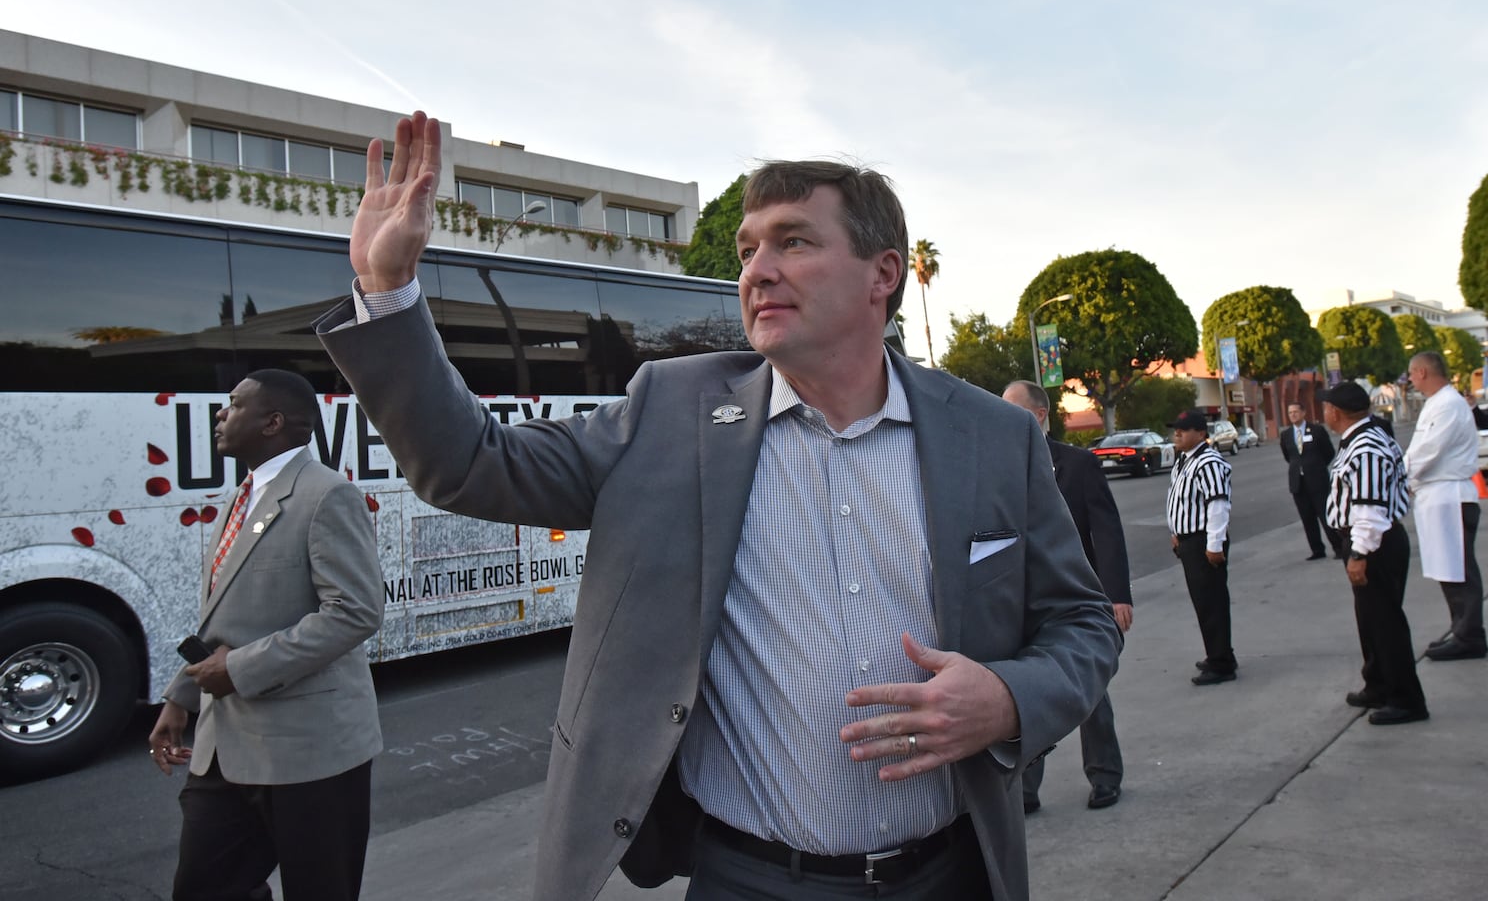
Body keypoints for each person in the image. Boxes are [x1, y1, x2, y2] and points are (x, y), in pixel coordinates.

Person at [316, 112, 1121, 901]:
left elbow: (1082, 625)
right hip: (749, 877)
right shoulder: (669, 412)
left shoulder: (992, 436)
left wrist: (1008, 700)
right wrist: (389, 292)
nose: (757, 269)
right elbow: (468, 464)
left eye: (794, 241)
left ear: (883, 273)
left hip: (950, 872)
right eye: (748, 249)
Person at [148, 369, 384, 901]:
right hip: (223, 750)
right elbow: (223, 611)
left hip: (310, 752)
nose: (220, 414)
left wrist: (237, 669)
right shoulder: (242, 496)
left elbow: (355, 612)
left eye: (233, 404)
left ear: (273, 422)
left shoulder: (327, 494)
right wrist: (181, 697)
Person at [1001, 381, 1130, 813]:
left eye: (1012, 410)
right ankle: (1025, 789)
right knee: (1024, 695)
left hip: (1075, 598)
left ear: (1037, 415)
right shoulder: (999, 465)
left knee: (1089, 694)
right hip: (1020, 604)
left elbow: (1106, 532)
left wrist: (1117, 596)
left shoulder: (1077, 465)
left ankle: (1105, 775)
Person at [1319, 381, 1428, 724]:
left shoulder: (1366, 447)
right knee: (1370, 622)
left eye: (1326, 407)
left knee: (1386, 624)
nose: (1323, 413)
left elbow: (1369, 507)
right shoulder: (1364, 438)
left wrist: (1358, 553)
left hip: (1374, 543)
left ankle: (1406, 700)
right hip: (1372, 541)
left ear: (1336, 412)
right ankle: (1378, 684)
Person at [1403, 351, 1485, 661]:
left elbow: (1427, 451)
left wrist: (1399, 477)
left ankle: (1470, 636)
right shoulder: (1437, 403)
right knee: (1448, 570)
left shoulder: (1448, 405)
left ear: (1422, 372)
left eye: (1411, 374)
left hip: (1451, 497)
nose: (1410, 379)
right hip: (1438, 497)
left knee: (1460, 570)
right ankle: (1462, 629)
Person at [1165, 409, 1236, 685]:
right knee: (1203, 601)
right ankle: (1216, 653)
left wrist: (1214, 544)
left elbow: (1218, 504)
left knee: (1212, 602)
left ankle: (1222, 664)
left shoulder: (1209, 462)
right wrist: (1175, 532)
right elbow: (1182, 501)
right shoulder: (1184, 460)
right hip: (1188, 541)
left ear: (1202, 434)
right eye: (1176, 429)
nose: (1178, 433)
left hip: (1204, 542)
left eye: (1184, 429)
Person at [1278, 401, 1336, 560]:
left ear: (1303, 413)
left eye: (1296, 412)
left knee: (1325, 515)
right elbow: (1288, 457)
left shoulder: (1317, 431)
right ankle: (1317, 550)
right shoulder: (1286, 435)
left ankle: (1337, 547)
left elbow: (1329, 452)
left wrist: (1316, 466)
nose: (1293, 415)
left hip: (1318, 481)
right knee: (1307, 518)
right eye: (1290, 413)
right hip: (1299, 483)